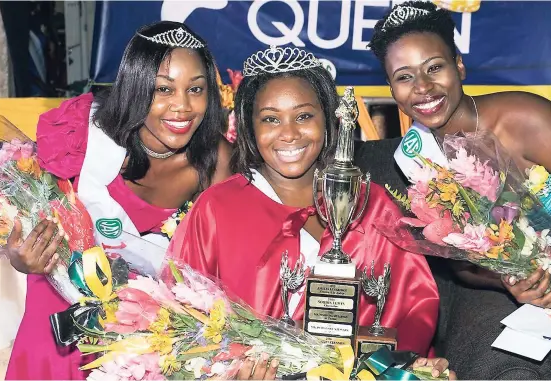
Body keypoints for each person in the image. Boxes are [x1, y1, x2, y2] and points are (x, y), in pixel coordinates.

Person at [368, 2, 551, 379]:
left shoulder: (526, 119)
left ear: (459, 65)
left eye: (434, 68)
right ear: (391, 87)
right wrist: (511, 281)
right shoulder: (419, 160)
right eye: (404, 76)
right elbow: (462, 265)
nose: (423, 88)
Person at [169, 45, 452, 380]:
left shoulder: (370, 203)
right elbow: (181, 318)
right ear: (248, 125)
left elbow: (414, 305)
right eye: (270, 119)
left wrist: (397, 369)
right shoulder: (216, 209)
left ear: (329, 119)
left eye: (304, 116)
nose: (289, 134)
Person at [4, 21, 231, 380]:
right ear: (136, 86)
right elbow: (29, 220)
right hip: (57, 328)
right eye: (163, 89)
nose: (183, 107)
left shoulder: (219, 165)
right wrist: (21, 254)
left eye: (196, 89)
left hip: (141, 348)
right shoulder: (81, 134)